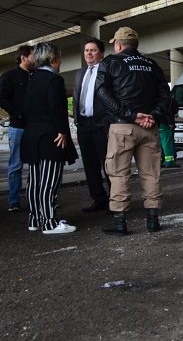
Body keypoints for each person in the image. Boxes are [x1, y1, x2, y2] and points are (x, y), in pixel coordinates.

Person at [95, 27, 173, 236]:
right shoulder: (152, 65)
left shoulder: (111, 62)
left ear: (118, 45)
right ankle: (153, 220)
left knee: (119, 173)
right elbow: (166, 96)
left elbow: (102, 92)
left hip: (123, 127)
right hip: (150, 128)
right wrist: (153, 116)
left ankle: (120, 223)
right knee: (151, 173)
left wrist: (129, 115)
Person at [20, 42, 78, 234]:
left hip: (31, 135)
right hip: (51, 137)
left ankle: (34, 219)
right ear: (53, 59)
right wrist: (62, 131)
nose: (60, 62)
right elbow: (57, 108)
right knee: (49, 182)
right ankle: (49, 223)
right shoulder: (54, 80)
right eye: (59, 58)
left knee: (35, 182)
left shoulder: (31, 79)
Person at [73, 38, 110, 212]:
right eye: (86, 50)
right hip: (84, 125)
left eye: (93, 50)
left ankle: (115, 200)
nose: (88, 53)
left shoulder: (107, 70)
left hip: (101, 124)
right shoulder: (80, 73)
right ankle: (98, 199)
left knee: (108, 164)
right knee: (90, 165)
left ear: (101, 53)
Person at [0, 45, 33, 212]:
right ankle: (14, 201)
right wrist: (18, 114)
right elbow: (2, 99)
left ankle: (36, 198)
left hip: (35, 127)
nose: (36, 59)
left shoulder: (36, 76)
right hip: (18, 127)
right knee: (15, 165)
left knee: (38, 165)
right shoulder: (9, 76)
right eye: (33, 56)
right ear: (23, 57)